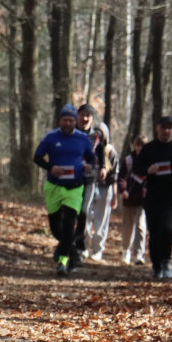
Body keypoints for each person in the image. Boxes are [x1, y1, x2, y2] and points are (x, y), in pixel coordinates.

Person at [34, 104, 96, 276]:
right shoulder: (50, 138)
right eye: (65, 120)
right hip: (54, 186)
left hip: (74, 187)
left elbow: (91, 157)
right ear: (59, 121)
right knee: (56, 229)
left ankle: (63, 261)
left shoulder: (82, 139)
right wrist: (51, 167)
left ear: (75, 121)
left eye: (71, 120)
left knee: (70, 223)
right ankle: (68, 247)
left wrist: (90, 166)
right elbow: (37, 158)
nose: (68, 123)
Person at [138, 116, 172, 279]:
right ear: (157, 129)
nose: (167, 131)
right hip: (153, 196)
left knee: (166, 229)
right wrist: (148, 170)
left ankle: (166, 261)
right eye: (164, 128)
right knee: (154, 232)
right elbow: (138, 167)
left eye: (170, 128)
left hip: (171, 197)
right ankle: (156, 265)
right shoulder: (148, 149)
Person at [72, 104, 102, 266]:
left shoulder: (96, 137)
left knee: (82, 212)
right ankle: (67, 245)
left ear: (92, 118)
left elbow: (101, 155)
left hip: (88, 180)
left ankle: (79, 248)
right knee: (68, 213)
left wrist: (102, 168)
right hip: (69, 179)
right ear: (77, 116)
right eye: (82, 115)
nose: (84, 119)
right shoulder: (69, 133)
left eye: (88, 116)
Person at [85, 122, 119, 261]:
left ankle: (98, 249)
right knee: (86, 216)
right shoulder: (88, 148)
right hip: (89, 185)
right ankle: (84, 246)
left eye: (101, 132)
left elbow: (115, 175)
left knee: (102, 219)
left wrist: (115, 196)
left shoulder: (110, 151)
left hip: (105, 189)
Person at [116, 135, 148, 265]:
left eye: (142, 146)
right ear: (134, 146)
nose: (140, 148)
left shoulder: (150, 161)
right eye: (138, 145)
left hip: (142, 199)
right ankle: (126, 251)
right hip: (128, 199)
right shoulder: (129, 160)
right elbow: (122, 177)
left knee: (140, 226)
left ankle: (139, 253)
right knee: (127, 226)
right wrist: (123, 190)